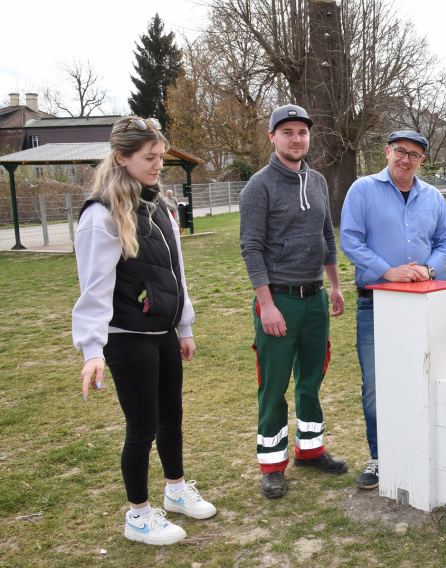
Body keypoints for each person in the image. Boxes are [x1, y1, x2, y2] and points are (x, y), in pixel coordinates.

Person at [72, 116, 217, 546]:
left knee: (172, 416)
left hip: (163, 335)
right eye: (149, 158)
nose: (158, 165)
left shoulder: (159, 206)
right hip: (126, 337)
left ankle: (175, 490)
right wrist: (92, 350)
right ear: (122, 158)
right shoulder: (101, 215)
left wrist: (184, 325)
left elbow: (177, 271)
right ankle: (137, 516)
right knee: (142, 427)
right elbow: (93, 289)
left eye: (161, 157)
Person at [239, 104, 348, 499]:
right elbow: (251, 248)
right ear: (272, 137)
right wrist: (266, 304)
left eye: (302, 131)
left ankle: (311, 449)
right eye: (287, 131)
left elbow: (327, 238)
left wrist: (334, 286)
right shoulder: (259, 186)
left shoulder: (318, 181)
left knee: (311, 379)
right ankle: (272, 464)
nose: (296, 138)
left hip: (314, 297)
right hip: (279, 301)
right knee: (273, 385)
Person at [340, 130, 446, 490]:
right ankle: (380, 458)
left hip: (424, 305)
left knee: (425, 376)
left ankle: (426, 453)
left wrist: (430, 268)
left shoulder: (433, 197)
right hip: (375, 304)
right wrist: (386, 271)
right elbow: (350, 238)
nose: (406, 159)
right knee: (376, 385)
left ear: (422, 160)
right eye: (400, 151)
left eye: (415, 155)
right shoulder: (362, 190)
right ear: (388, 151)